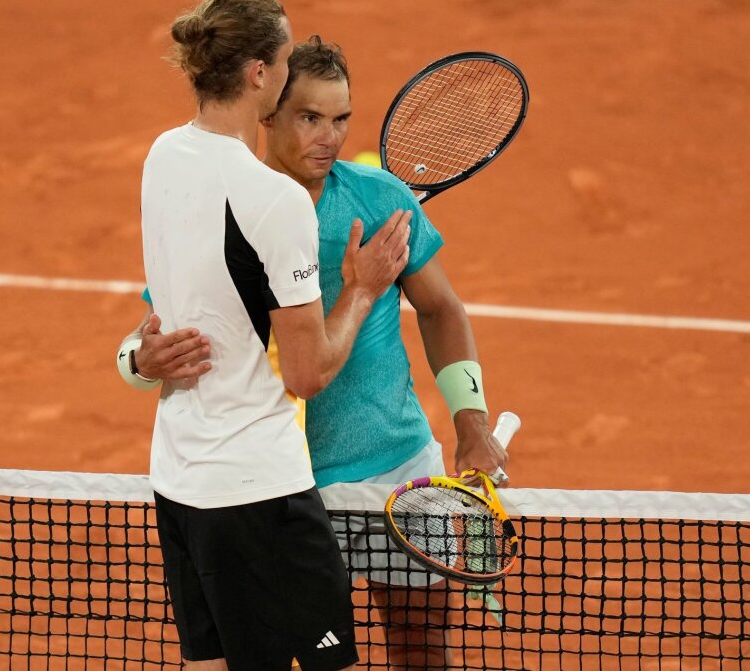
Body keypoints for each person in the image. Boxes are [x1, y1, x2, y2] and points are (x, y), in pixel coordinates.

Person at [128, 36, 507, 670]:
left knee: (421, 650)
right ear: (269, 111)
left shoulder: (380, 197)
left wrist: (472, 423)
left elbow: (442, 310)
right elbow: (154, 331)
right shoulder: (234, 206)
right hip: (283, 488)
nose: (328, 138)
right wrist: (137, 361)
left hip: (398, 477)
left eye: (341, 119)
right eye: (310, 118)